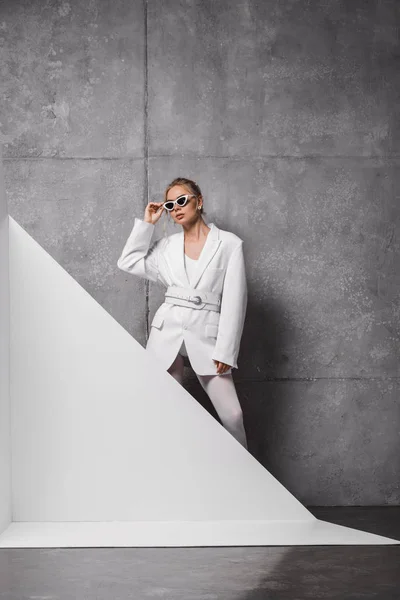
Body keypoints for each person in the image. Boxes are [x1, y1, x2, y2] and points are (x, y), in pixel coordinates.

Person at [117, 177, 248, 449]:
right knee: (165, 411)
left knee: (233, 415)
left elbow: (236, 300)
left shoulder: (228, 244)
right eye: (169, 204)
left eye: (182, 200)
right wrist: (148, 225)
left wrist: (226, 350)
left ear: (198, 202)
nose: (176, 208)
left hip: (208, 336)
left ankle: (246, 482)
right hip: (167, 332)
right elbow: (128, 262)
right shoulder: (166, 247)